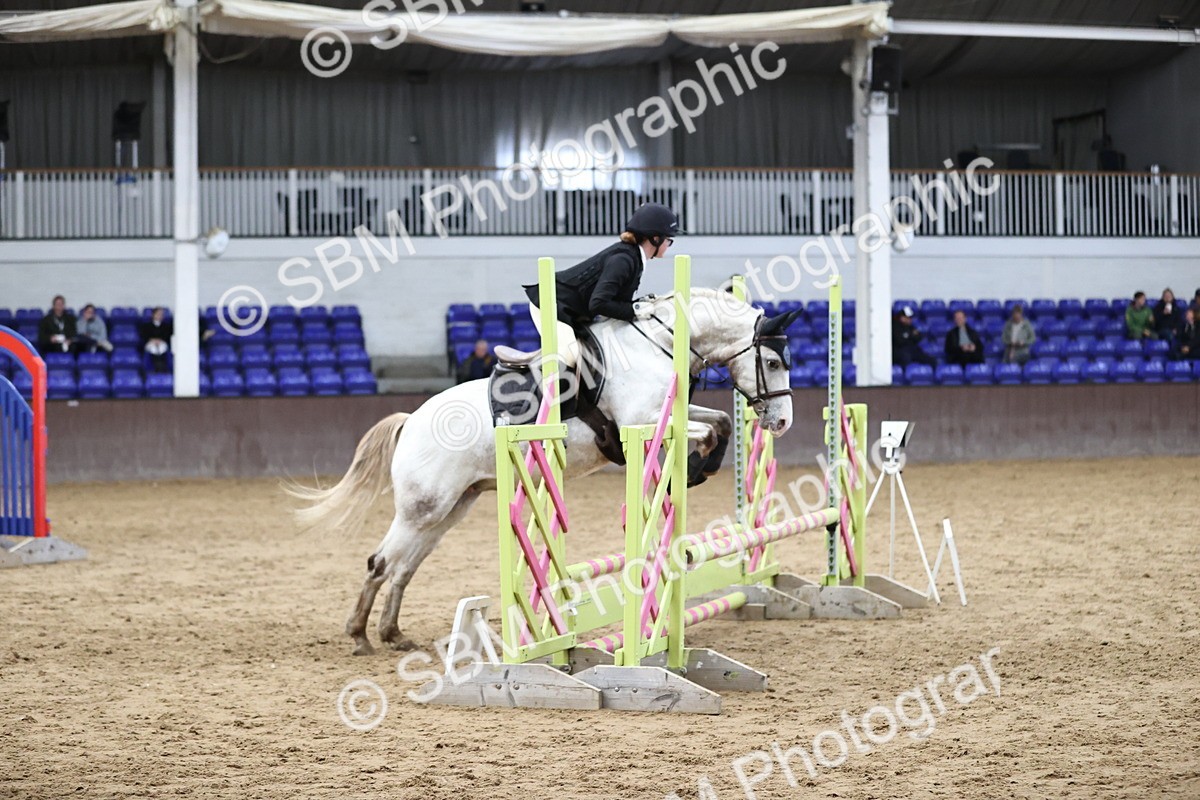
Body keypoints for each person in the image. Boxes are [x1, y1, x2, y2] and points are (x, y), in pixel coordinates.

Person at [518, 202, 679, 368]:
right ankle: (542, 394)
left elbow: (614, 302)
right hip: (550, 304)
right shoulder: (624, 260)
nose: (668, 245)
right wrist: (635, 310)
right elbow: (598, 303)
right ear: (655, 238)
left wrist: (638, 305)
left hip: (570, 311)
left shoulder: (634, 258)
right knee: (570, 356)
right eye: (669, 240)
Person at [139, 307, 174, 373]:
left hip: (162, 343)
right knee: (153, 349)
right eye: (158, 314)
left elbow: (167, 336)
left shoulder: (166, 326)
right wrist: (152, 340)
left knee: (162, 349)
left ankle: (162, 368)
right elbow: (144, 335)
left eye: (161, 314)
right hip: (151, 343)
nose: (160, 316)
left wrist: (160, 340)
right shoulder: (147, 326)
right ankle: (153, 369)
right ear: (153, 315)